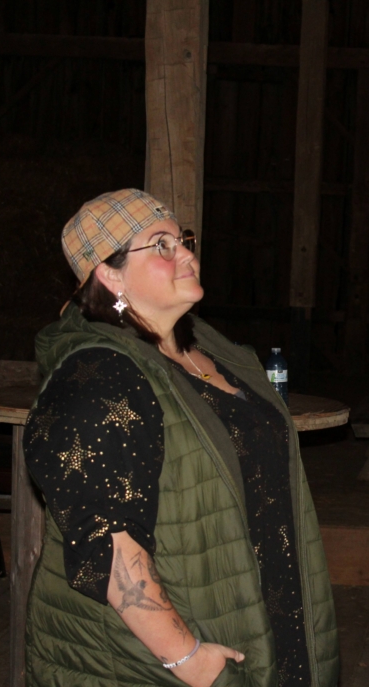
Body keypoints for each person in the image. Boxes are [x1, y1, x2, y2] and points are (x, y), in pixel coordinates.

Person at [24, 189, 339, 687]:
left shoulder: (212, 350)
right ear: (110, 275)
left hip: (255, 608)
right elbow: (108, 542)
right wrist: (186, 658)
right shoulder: (99, 376)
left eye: (183, 240)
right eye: (162, 245)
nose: (187, 255)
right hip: (151, 655)